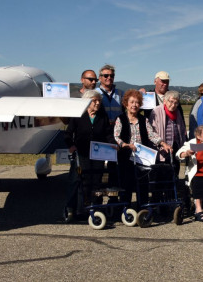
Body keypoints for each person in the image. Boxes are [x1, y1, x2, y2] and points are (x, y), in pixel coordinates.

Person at [113, 89, 173, 205]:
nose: (134, 105)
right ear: (126, 104)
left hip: (142, 157)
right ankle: (126, 208)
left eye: (137, 103)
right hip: (126, 156)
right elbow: (116, 136)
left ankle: (143, 209)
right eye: (132, 102)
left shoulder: (143, 120)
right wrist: (124, 144)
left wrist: (163, 143)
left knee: (143, 183)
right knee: (127, 183)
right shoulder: (120, 119)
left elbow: (152, 134)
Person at [63, 90, 113, 220]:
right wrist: (71, 145)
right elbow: (68, 134)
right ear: (87, 101)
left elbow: (108, 133)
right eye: (94, 100)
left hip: (98, 154)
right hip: (82, 154)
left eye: (99, 101)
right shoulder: (78, 115)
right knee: (82, 180)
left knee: (96, 180)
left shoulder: (103, 115)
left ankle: (96, 207)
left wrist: (113, 144)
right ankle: (81, 209)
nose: (97, 103)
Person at [148, 90, 186, 175]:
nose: (173, 105)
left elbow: (182, 129)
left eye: (176, 103)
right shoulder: (156, 111)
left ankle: (174, 186)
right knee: (163, 172)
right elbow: (151, 131)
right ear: (165, 101)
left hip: (175, 146)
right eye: (171, 102)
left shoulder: (177, 112)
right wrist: (161, 143)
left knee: (175, 170)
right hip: (162, 147)